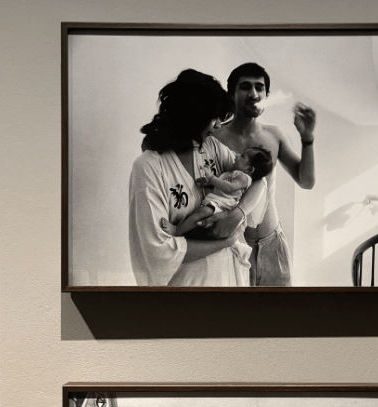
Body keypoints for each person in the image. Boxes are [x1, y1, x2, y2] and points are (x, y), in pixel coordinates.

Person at [128, 69, 267, 286]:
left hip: (229, 279)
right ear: (192, 117)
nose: (219, 126)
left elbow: (258, 179)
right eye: (214, 119)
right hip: (187, 291)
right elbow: (158, 249)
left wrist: (237, 215)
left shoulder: (210, 148)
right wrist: (227, 240)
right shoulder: (150, 167)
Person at [213, 62, 317, 286]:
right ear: (232, 93)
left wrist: (307, 138)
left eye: (260, 88)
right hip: (231, 246)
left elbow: (306, 182)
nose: (254, 93)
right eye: (245, 87)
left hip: (272, 245)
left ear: (266, 95)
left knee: (278, 317)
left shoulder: (274, 135)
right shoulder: (215, 137)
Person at [161, 147, 274, 237]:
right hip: (217, 203)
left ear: (249, 169)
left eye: (242, 156)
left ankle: (178, 230)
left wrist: (212, 178)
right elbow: (221, 185)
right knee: (198, 218)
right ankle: (186, 233)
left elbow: (229, 188)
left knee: (200, 213)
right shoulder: (232, 173)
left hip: (223, 206)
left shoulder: (244, 178)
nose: (237, 155)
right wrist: (208, 183)